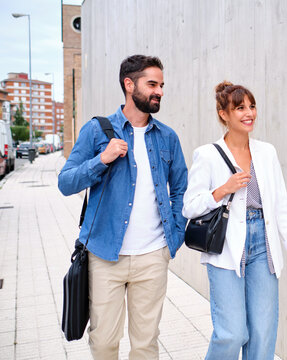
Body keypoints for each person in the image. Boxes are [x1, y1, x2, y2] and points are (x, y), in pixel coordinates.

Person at [58, 55, 188, 359]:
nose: (160, 91)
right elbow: (65, 182)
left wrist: (175, 238)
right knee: (104, 342)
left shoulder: (167, 137)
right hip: (105, 256)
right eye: (152, 84)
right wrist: (101, 160)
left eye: (162, 85)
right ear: (129, 85)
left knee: (145, 344)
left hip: (153, 257)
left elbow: (181, 189)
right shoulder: (97, 131)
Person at [183, 81, 287, 360]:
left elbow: (281, 206)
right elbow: (190, 207)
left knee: (263, 334)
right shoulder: (207, 155)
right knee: (231, 333)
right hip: (227, 246)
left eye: (252, 106)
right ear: (223, 114)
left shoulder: (267, 152)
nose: (249, 113)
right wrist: (223, 189)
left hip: (263, 245)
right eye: (239, 107)